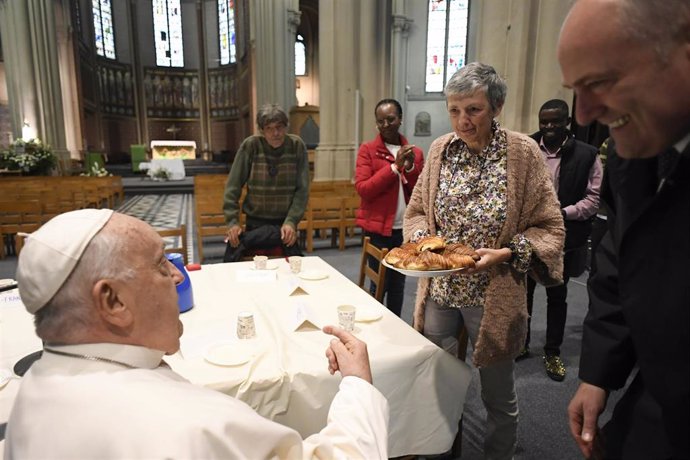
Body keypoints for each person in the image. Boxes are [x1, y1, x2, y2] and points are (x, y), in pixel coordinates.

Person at [5, 209, 389, 458]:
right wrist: (358, 386)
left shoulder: (34, 388)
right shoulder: (189, 429)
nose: (177, 276)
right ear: (112, 301)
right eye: (161, 265)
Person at [403, 62, 564, 459]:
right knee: (440, 383)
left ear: (497, 106)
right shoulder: (441, 148)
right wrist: (424, 241)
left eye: (473, 110)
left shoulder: (522, 153)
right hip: (441, 290)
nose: (463, 121)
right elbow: (418, 211)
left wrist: (508, 253)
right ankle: (440, 450)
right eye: (455, 110)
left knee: (497, 396)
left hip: (493, 296)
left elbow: (551, 226)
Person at [558, 1, 690, 458]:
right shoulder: (635, 150)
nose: (583, 114)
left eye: (598, 82)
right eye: (575, 89)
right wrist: (599, 372)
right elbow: (621, 259)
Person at [520, 99, 602, 382]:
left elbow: (593, 199)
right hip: (528, 235)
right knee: (524, 293)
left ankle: (552, 351)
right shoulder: (526, 146)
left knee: (557, 296)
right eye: (544, 122)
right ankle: (522, 343)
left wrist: (562, 213)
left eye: (555, 122)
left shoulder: (587, 154)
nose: (548, 127)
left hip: (562, 237)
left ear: (567, 122)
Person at [355, 98, 424, 316]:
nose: (386, 125)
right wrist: (394, 167)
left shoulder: (416, 152)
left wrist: (410, 167)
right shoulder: (368, 150)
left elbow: (418, 192)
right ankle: (377, 324)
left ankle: (395, 322)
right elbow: (364, 188)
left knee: (398, 284)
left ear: (400, 119)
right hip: (377, 230)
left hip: (403, 230)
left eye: (390, 119)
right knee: (378, 282)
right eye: (380, 121)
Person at [223, 103, 309, 262]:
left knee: (292, 271)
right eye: (269, 128)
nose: (275, 133)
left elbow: (302, 190)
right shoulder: (251, 145)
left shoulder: (297, 146)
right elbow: (232, 188)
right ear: (262, 130)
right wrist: (233, 222)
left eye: (279, 127)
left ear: (286, 127)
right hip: (255, 223)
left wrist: (291, 222)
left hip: (285, 224)